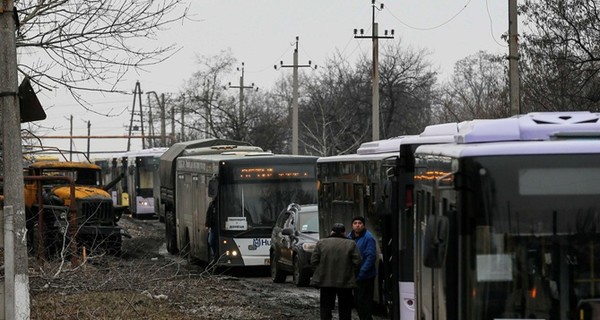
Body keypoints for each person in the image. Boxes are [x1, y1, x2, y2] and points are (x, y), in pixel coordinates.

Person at [311, 223, 361, 320]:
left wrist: (321, 271)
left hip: (326, 281)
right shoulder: (351, 243)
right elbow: (357, 262)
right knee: (345, 308)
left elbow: (314, 261)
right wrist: (350, 273)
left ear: (332, 232)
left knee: (325, 307)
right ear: (344, 233)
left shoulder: (321, 243)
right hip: (345, 281)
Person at [348, 216, 377, 320]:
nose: (357, 225)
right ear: (352, 225)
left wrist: (362, 272)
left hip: (366, 276)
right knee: (358, 301)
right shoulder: (349, 237)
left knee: (364, 301)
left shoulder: (368, 238)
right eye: (355, 223)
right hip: (355, 275)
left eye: (359, 223)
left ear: (363, 225)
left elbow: (370, 256)